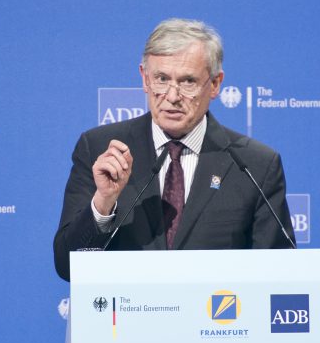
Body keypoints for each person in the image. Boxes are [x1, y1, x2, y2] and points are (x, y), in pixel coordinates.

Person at [53, 18, 294, 281]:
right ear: (144, 78)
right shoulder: (100, 149)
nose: (172, 96)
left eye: (188, 81)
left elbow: (279, 276)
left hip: (219, 318)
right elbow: (67, 266)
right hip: (124, 319)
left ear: (215, 84)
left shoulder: (254, 165)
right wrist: (103, 203)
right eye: (161, 79)